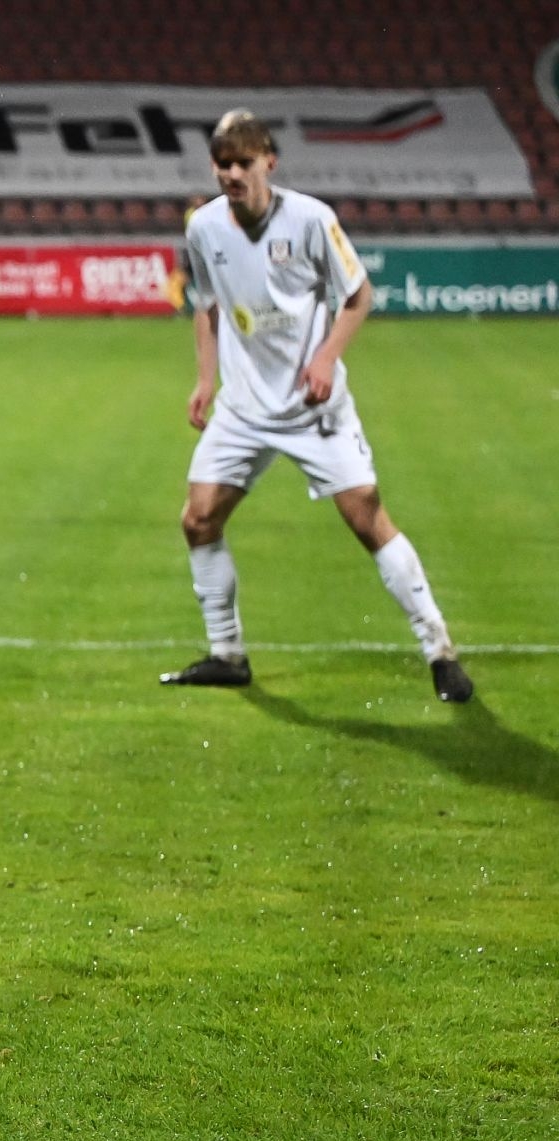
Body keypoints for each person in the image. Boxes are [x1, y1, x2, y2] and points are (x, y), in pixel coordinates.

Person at [163, 110, 472, 703]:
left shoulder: (311, 219)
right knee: (198, 518)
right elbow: (205, 304)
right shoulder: (203, 228)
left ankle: (440, 650)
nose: (232, 174)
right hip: (245, 407)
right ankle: (227, 653)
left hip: (312, 406)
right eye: (223, 164)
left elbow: (357, 295)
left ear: (269, 162)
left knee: (366, 519)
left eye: (243, 163)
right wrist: (205, 379)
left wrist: (327, 357)